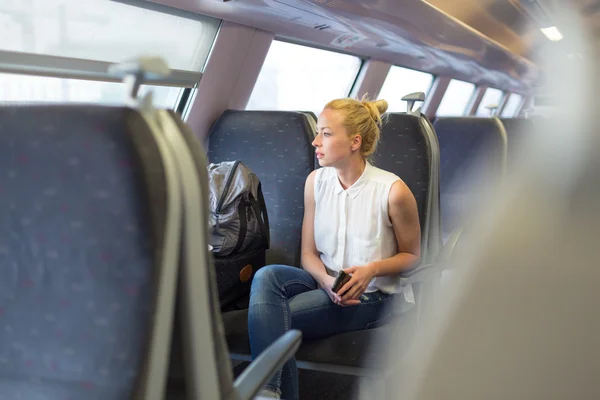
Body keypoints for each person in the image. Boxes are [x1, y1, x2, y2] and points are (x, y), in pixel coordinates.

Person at [248, 97, 421, 400]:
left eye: (326, 134)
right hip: (323, 282)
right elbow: (308, 256)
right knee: (266, 276)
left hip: (371, 296)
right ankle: (268, 392)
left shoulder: (393, 191)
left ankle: (268, 391)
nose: (315, 141)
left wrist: (371, 269)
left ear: (355, 141)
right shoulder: (315, 182)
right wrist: (327, 282)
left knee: (275, 319)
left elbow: (413, 257)